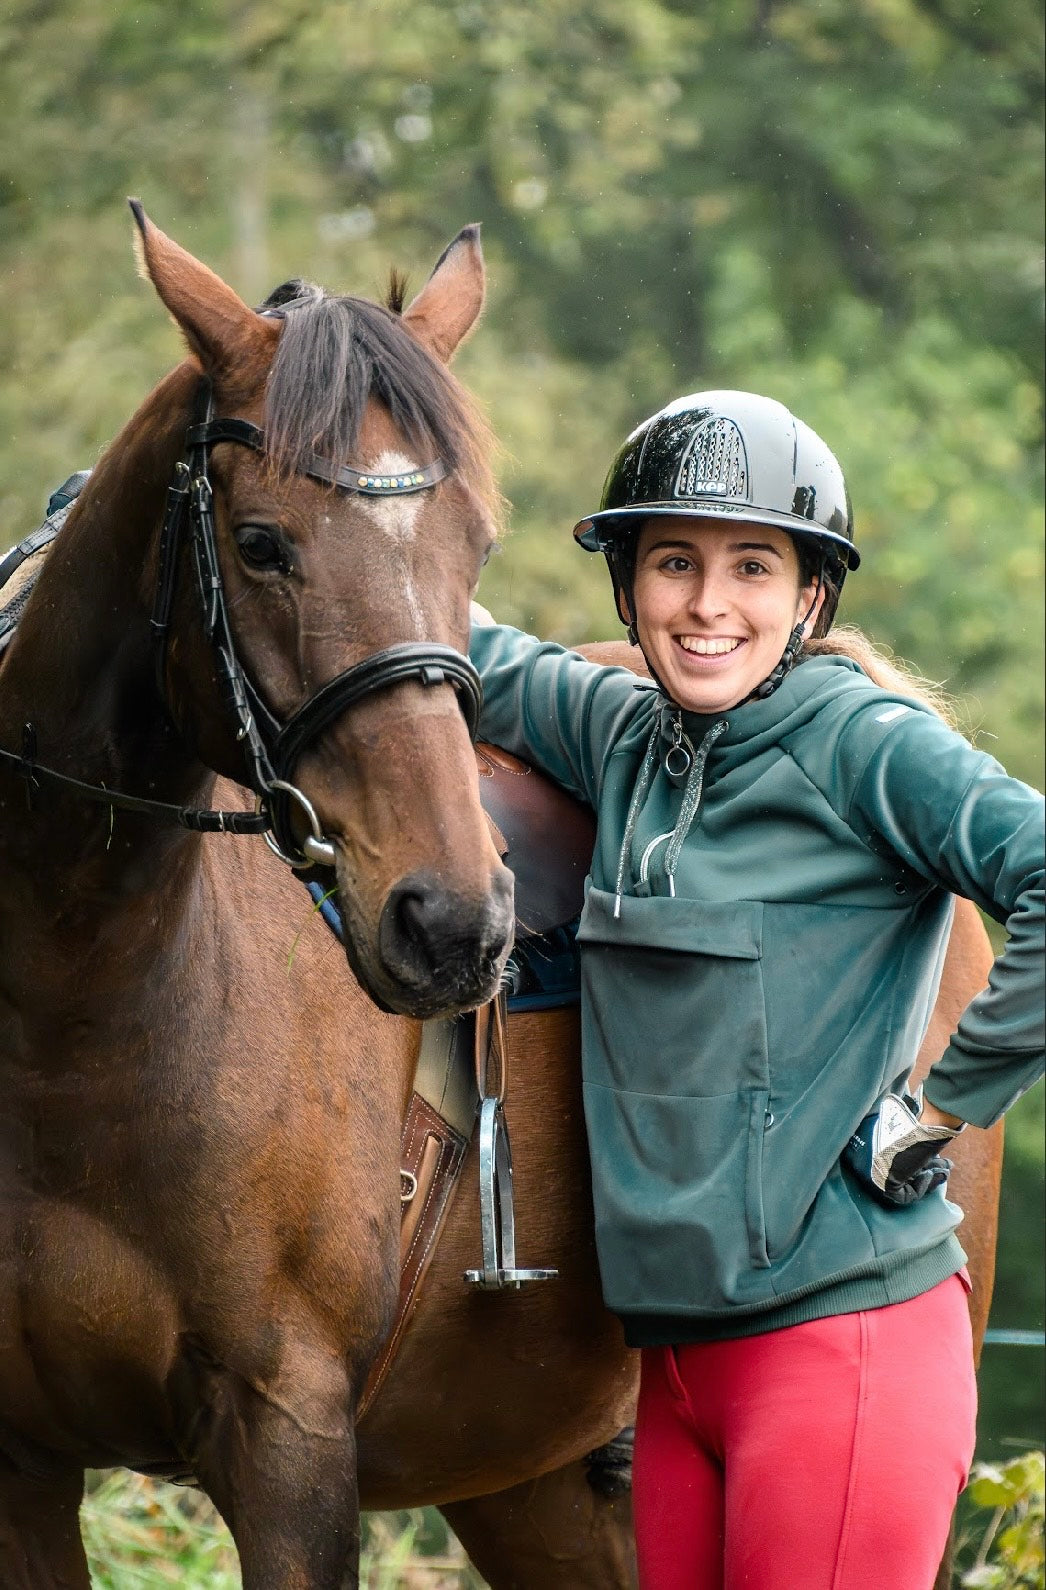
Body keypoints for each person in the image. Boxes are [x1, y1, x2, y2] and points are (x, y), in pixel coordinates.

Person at [468, 390, 1045, 1590]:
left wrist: (939, 1107)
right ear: (628, 587)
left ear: (808, 594)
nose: (707, 605)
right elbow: (461, 642)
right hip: (673, 1376)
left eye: (750, 566)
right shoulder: (620, 738)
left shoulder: (859, 743)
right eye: (672, 564)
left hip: (838, 1354)